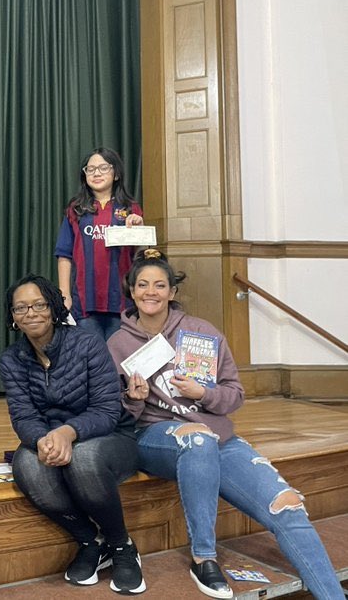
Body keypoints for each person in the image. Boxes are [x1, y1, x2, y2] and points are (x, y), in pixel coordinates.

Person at [106, 249, 343, 599]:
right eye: (142, 285)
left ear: (172, 292)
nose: (150, 292)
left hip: (218, 436)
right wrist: (134, 399)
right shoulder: (117, 344)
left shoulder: (202, 332)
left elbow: (235, 394)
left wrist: (203, 392)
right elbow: (116, 417)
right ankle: (204, 558)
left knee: (287, 504)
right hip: (155, 437)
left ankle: (332, 595)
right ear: (131, 290)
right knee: (197, 441)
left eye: (160, 285)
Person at [0, 274, 146, 595]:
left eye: (39, 305)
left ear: (53, 307)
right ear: (12, 316)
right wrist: (42, 440)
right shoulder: (12, 359)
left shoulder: (87, 343)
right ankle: (90, 541)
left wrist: (68, 432)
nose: (31, 313)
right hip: (52, 439)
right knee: (26, 464)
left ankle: (122, 546)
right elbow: (23, 416)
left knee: (82, 457)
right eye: (21, 308)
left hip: (110, 437)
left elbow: (108, 410)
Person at [55, 147, 143, 340]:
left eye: (103, 168)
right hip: (85, 303)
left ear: (116, 174)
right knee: (90, 362)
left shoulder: (131, 208)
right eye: (90, 169)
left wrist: (138, 228)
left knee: (118, 363)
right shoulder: (76, 209)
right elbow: (64, 254)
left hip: (122, 301)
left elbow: (141, 254)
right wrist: (65, 294)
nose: (96, 173)